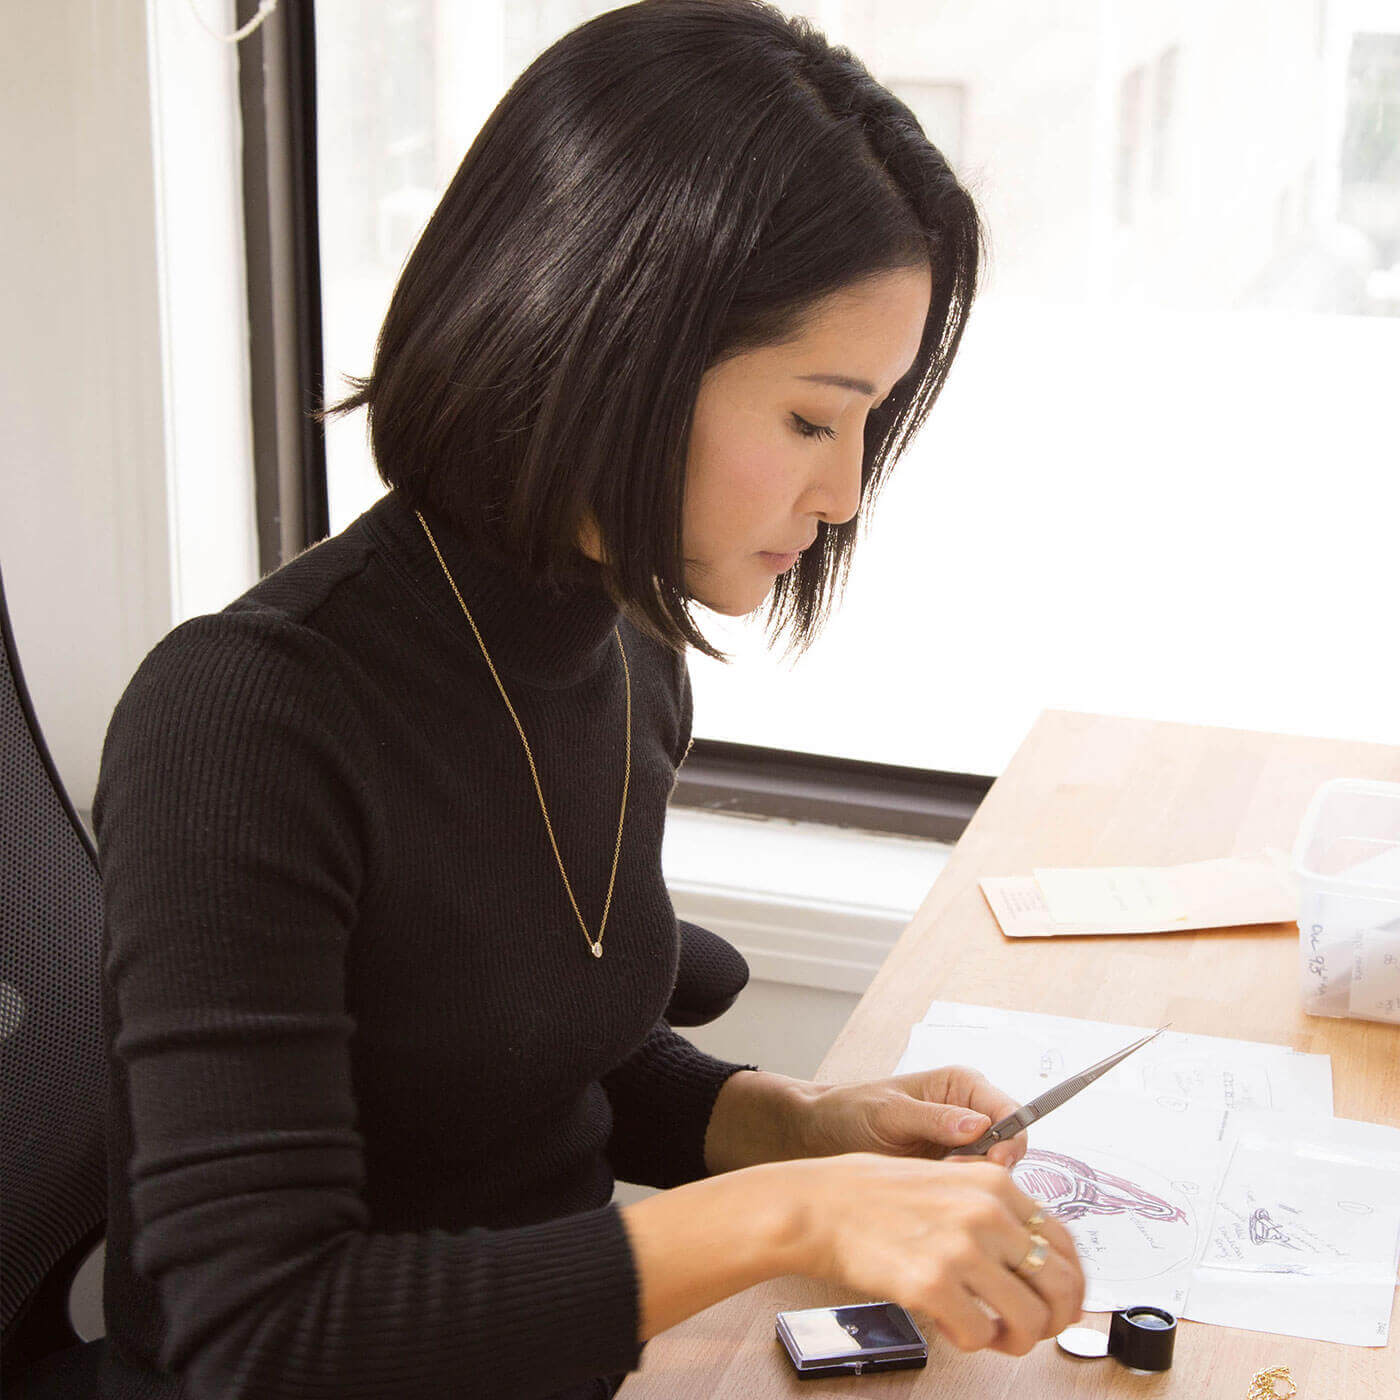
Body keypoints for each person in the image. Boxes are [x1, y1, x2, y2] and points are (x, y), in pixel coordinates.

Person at [87, 3, 1084, 1398]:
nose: (848, 492)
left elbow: (521, 1060)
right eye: (812, 417)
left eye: (870, 423)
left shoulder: (624, 650)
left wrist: (788, 1126)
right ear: (612, 344)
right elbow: (259, 1335)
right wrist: (791, 1216)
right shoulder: (245, 723)